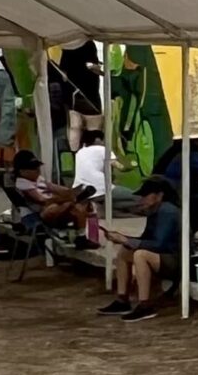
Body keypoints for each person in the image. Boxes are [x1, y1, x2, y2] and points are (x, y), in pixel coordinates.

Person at [99, 175, 183, 322]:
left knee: (141, 255)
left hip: (176, 260)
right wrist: (123, 240)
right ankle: (122, 300)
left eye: (145, 195)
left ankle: (145, 305)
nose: (142, 199)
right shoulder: (154, 210)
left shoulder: (167, 211)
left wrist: (126, 240)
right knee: (125, 252)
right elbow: (146, 240)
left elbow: (159, 244)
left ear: (159, 195)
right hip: (163, 256)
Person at [56, 40, 104, 149]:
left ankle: (76, 158)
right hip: (90, 100)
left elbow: (63, 74)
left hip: (74, 100)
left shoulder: (68, 45)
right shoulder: (89, 44)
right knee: (94, 137)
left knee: (75, 139)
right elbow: (95, 67)